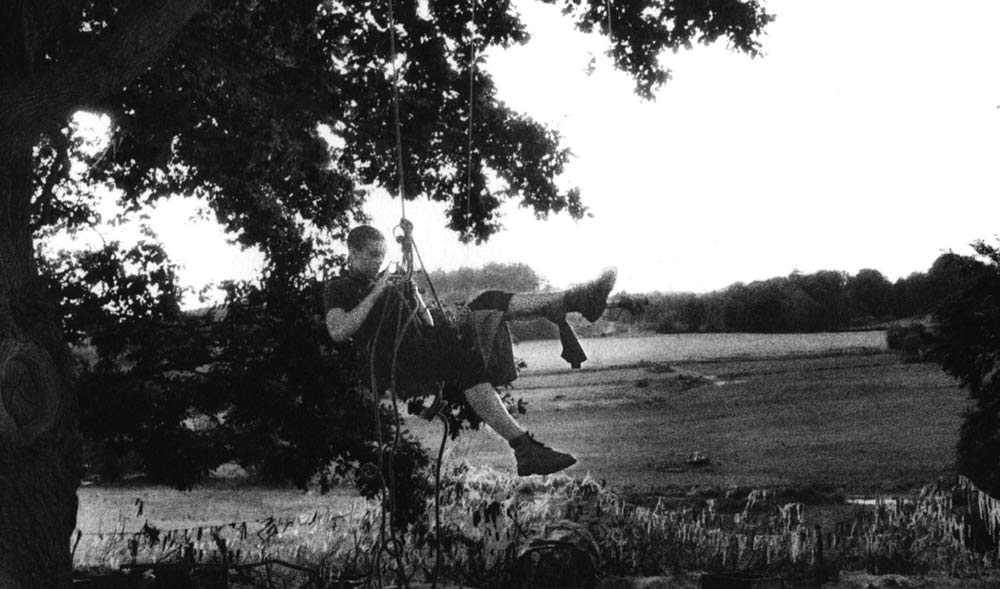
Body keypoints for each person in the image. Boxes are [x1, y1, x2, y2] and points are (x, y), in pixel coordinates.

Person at [323, 224, 616, 476]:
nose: (378, 262)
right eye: (373, 255)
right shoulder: (338, 288)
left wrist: (411, 292)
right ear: (353, 253)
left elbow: (424, 321)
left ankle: (577, 299)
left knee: (489, 302)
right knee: (466, 362)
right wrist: (377, 292)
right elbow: (338, 331)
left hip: (425, 346)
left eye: (381, 255)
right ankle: (524, 449)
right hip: (396, 363)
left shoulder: (388, 285)